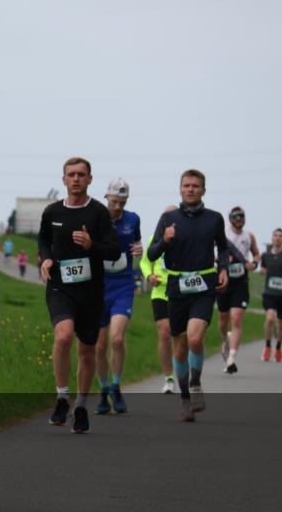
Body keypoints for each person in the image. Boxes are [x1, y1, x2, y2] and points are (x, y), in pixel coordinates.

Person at [39, 157, 121, 434]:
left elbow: (114, 251)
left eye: (81, 174)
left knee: (87, 350)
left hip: (90, 292)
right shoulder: (52, 212)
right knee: (63, 336)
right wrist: (46, 259)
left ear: (90, 179)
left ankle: (82, 405)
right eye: (71, 174)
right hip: (60, 287)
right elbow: (43, 240)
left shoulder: (98, 213)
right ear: (63, 179)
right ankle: (62, 397)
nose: (76, 179)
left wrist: (91, 244)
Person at [146, 169, 230, 422]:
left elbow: (223, 247)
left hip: (204, 285)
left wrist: (223, 269)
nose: (190, 189)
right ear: (180, 189)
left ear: (203, 190)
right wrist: (165, 241)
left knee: (195, 338)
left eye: (195, 185)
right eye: (186, 185)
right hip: (176, 288)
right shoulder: (168, 219)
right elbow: (151, 254)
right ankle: (185, 399)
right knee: (180, 347)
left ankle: (195, 384)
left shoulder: (214, 218)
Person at [95, 178, 142, 415]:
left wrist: (139, 249)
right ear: (106, 198)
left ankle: (116, 386)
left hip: (123, 284)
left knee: (117, 339)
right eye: (114, 202)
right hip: (98, 285)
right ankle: (103, 390)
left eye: (122, 202)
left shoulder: (133, 219)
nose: (118, 207)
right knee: (99, 344)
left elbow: (136, 244)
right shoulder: (95, 217)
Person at [216, 207, 260, 375]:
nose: (239, 219)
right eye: (236, 217)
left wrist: (254, 264)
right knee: (222, 320)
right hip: (223, 280)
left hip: (241, 282)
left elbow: (256, 254)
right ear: (230, 219)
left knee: (236, 319)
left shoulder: (249, 236)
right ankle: (224, 340)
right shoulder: (223, 234)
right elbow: (212, 251)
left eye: (242, 216)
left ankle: (231, 358)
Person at [139, 206, 179, 394]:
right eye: (165, 216)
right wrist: (149, 277)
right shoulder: (153, 239)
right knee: (164, 332)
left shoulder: (184, 239)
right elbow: (145, 262)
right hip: (160, 293)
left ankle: (184, 371)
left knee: (181, 336)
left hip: (181, 292)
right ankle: (168, 378)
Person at [259, 228, 282, 362]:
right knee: (269, 319)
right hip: (269, 293)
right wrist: (262, 270)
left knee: (281, 324)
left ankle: (278, 348)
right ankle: (267, 347)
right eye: (275, 235)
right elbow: (263, 269)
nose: (278, 238)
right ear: (272, 238)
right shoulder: (266, 255)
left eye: (280, 236)